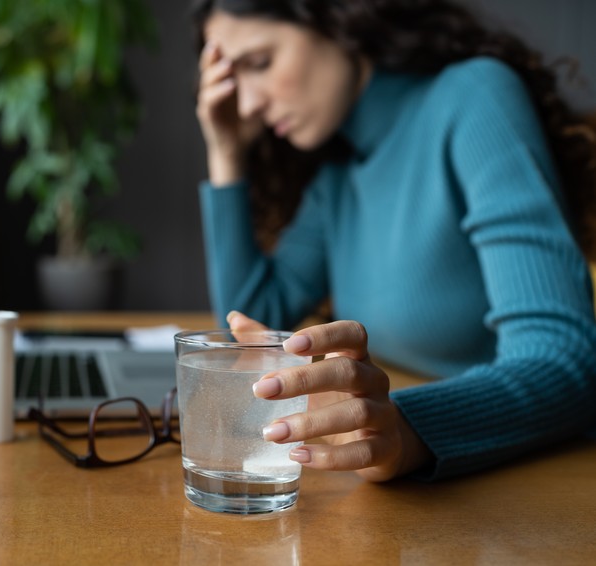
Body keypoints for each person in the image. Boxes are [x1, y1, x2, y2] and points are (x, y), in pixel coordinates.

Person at [192, 0, 596, 481]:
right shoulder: (337, 177)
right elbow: (248, 338)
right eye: (236, 82)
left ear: (338, 20)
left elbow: (563, 360)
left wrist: (403, 426)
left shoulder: (474, 96)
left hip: (535, 485)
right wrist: (227, 153)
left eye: (260, 63)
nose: (249, 104)